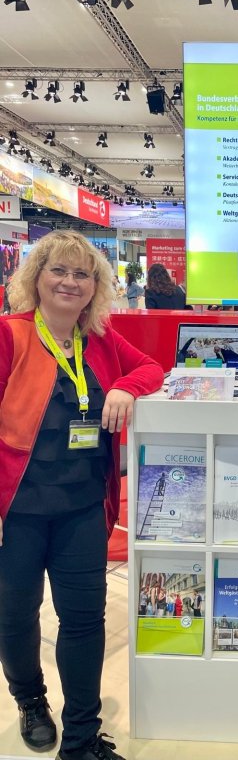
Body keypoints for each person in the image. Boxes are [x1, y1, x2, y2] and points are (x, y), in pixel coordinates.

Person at [0, 230, 164, 760]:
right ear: (36, 278)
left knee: (84, 621)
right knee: (15, 616)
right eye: (59, 271)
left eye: (82, 274)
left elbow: (151, 368)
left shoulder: (101, 338)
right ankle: (30, 700)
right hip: (16, 511)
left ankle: (81, 738)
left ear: (96, 286)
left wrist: (124, 387)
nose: (70, 282)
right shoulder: (8, 334)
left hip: (83, 507)